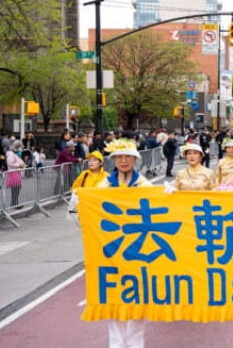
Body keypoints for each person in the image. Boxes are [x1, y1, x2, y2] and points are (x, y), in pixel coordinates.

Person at [95, 139, 152, 348]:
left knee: (138, 300)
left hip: (138, 249)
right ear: (114, 160)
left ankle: (136, 344)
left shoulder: (144, 184)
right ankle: (116, 345)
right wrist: (78, 203)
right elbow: (89, 216)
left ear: (135, 160)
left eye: (128, 157)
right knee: (113, 298)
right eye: (119, 157)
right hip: (110, 251)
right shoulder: (104, 185)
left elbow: (158, 209)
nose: (124, 160)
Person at [5, 141, 26, 208]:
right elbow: (10, 163)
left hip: (16, 172)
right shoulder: (11, 153)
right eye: (20, 146)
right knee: (15, 188)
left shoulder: (14, 153)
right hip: (13, 172)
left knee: (17, 188)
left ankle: (15, 202)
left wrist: (21, 164)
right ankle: (14, 203)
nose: (21, 148)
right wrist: (19, 165)